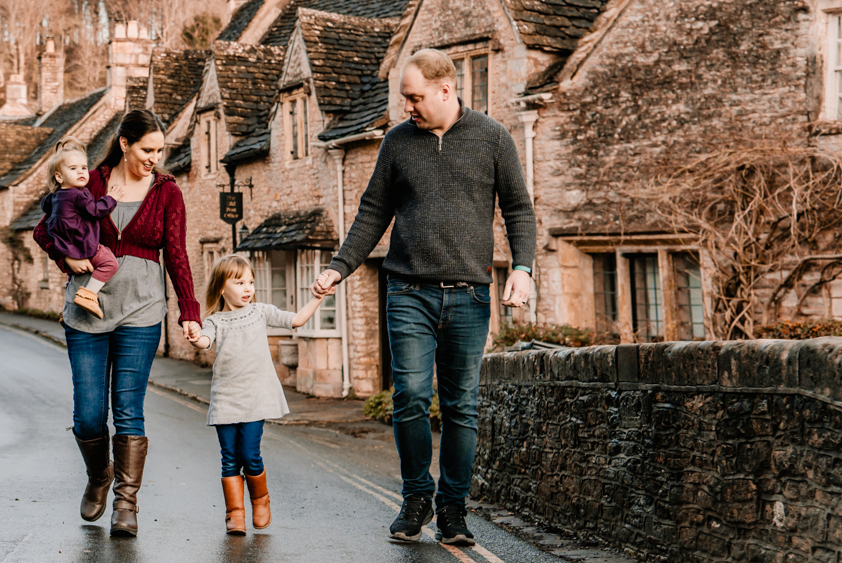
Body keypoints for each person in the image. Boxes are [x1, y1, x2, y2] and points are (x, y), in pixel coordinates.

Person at [311, 49, 536, 546]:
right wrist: (339, 267)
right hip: (408, 290)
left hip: (470, 295)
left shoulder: (493, 137)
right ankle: (416, 497)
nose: (407, 106)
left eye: (414, 97)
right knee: (410, 395)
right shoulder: (397, 142)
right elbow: (373, 212)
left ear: (445, 89)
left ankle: (453, 509)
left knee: (461, 406)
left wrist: (522, 268)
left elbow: (519, 208)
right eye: (404, 98)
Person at [33, 109, 201, 537]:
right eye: (147, 149)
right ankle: (99, 475)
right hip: (86, 311)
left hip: (142, 311)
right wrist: (66, 258)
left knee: (128, 410)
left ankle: (126, 503)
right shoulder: (87, 180)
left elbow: (176, 253)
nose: (154, 158)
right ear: (125, 144)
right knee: (90, 415)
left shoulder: (167, 191)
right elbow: (45, 229)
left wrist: (189, 310)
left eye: (160, 151)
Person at [188, 255, 331, 535]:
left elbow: (297, 319)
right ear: (221, 287)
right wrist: (195, 336)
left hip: (256, 397)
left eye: (251, 282)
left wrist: (318, 298)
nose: (248, 288)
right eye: (239, 282)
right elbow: (204, 341)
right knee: (229, 458)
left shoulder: (261, 312)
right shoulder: (215, 321)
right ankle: (235, 514)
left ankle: (260, 499)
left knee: (250, 454)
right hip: (226, 400)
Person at [41, 137, 125, 319]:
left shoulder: (55, 196)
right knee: (110, 263)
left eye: (84, 168)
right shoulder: (77, 195)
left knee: (72, 278)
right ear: (59, 176)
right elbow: (96, 210)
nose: (81, 172)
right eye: (73, 169)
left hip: (65, 246)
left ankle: (67, 310)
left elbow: (45, 207)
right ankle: (88, 295)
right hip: (83, 245)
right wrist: (111, 198)